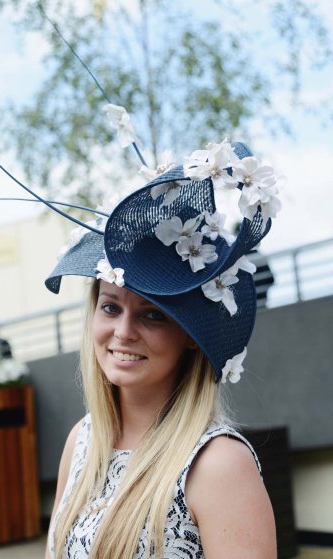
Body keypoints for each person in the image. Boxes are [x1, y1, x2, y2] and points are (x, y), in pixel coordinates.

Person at [43, 140, 280, 558]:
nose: (123, 331)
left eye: (153, 316)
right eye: (111, 307)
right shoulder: (82, 441)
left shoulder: (218, 464)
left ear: (190, 332)